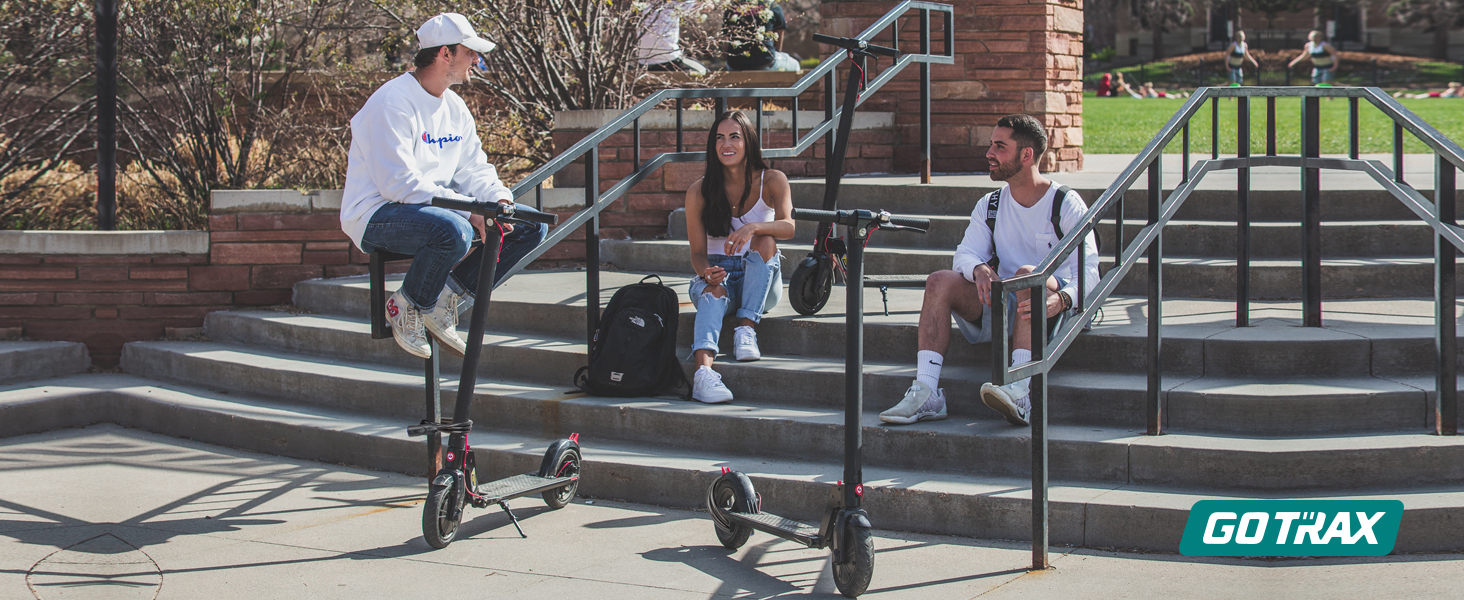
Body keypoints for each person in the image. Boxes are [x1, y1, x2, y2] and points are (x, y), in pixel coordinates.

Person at [340, 13, 547, 359]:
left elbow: (474, 167)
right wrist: (468, 210)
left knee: (528, 226)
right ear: (444, 54)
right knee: (455, 231)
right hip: (376, 213)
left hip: (432, 210)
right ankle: (407, 305)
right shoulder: (392, 102)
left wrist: (496, 199)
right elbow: (398, 184)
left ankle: (444, 300)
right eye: (471, 52)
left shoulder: (455, 107)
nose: (477, 61)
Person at [879, 114, 1099, 426]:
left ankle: (1020, 389)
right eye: (991, 145)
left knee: (1027, 273)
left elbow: (1090, 271)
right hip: (1005, 303)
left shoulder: (1064, 203)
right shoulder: (991, 204)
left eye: (1000, 146)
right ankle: (927, 392)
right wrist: (980, 268)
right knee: (939, 280)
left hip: (1054, 308)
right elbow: (966, 254)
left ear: (1026, 155)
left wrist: (1062, 300)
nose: (989, 154)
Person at [683, 111, 794, 403]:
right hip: (720, 274)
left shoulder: (772, 180)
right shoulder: (699, 191)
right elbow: (696, 253)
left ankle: (746, 330)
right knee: (712, 291)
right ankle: (703, 375)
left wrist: (753, 226)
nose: (726, 144)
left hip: (760, 278)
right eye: (719, 138)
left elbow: (789, 226)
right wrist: (707, 272)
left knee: (766, 238)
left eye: (735, 136)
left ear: (748, 142)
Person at [723, 0, 800, 72]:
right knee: (795, 65)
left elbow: (726, 44)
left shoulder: (731, 7)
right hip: (765, 63)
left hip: (734, 65)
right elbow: (778, 43)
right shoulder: (772, 5)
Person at [639, 0, 709, 75]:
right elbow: (706, 5)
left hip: (642, 63)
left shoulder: (640, 7)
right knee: (705, 73)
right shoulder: (673, 5)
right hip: (671, 60)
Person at [1394, 82, 1463, 98]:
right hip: (1435, 95)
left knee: (1416, 96)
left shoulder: (1452, 90)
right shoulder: (1452, 90)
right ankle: (1402, 95)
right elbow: (1446, 96)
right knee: (1416, 97)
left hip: (1435, 94)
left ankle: (1403, 95)